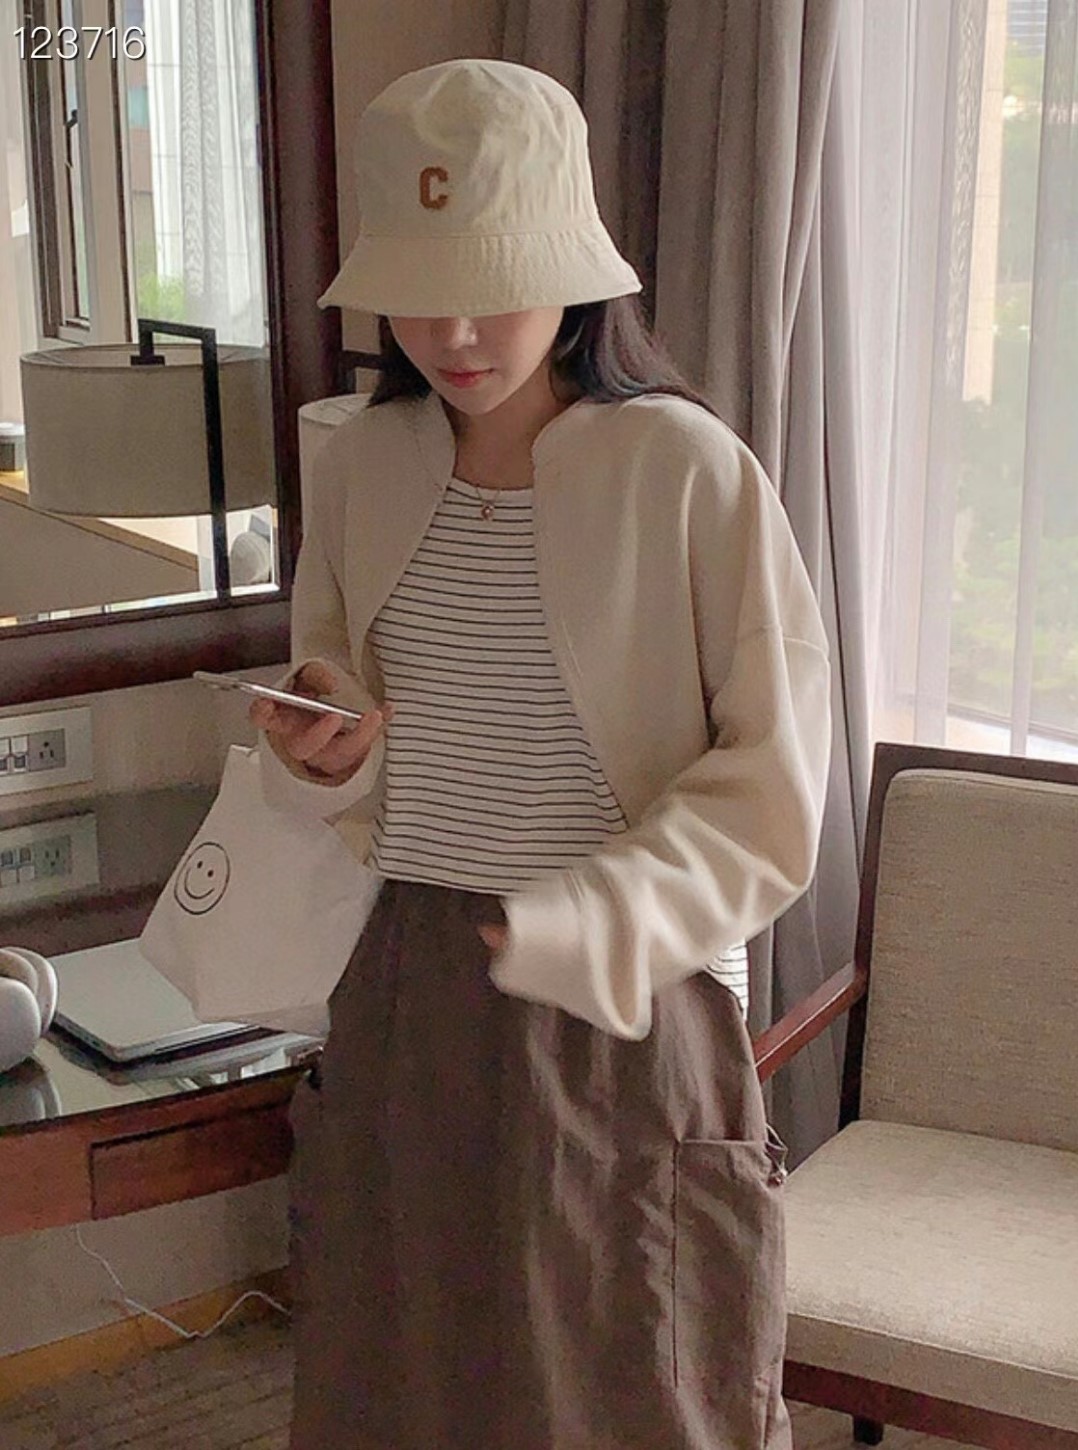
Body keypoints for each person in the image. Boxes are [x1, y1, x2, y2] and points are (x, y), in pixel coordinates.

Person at [250, 58, 830, 1450]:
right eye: (421, 288)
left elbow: (772, 783)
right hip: (409, 983)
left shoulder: (686, 471)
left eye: (494, 285)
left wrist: (600, 918)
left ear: (576, 276)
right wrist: (326, 752)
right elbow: (348, 725)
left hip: (628, 998)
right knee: (408, 1385)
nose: (454, 331)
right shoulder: (360, 462)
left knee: (634, 1394)